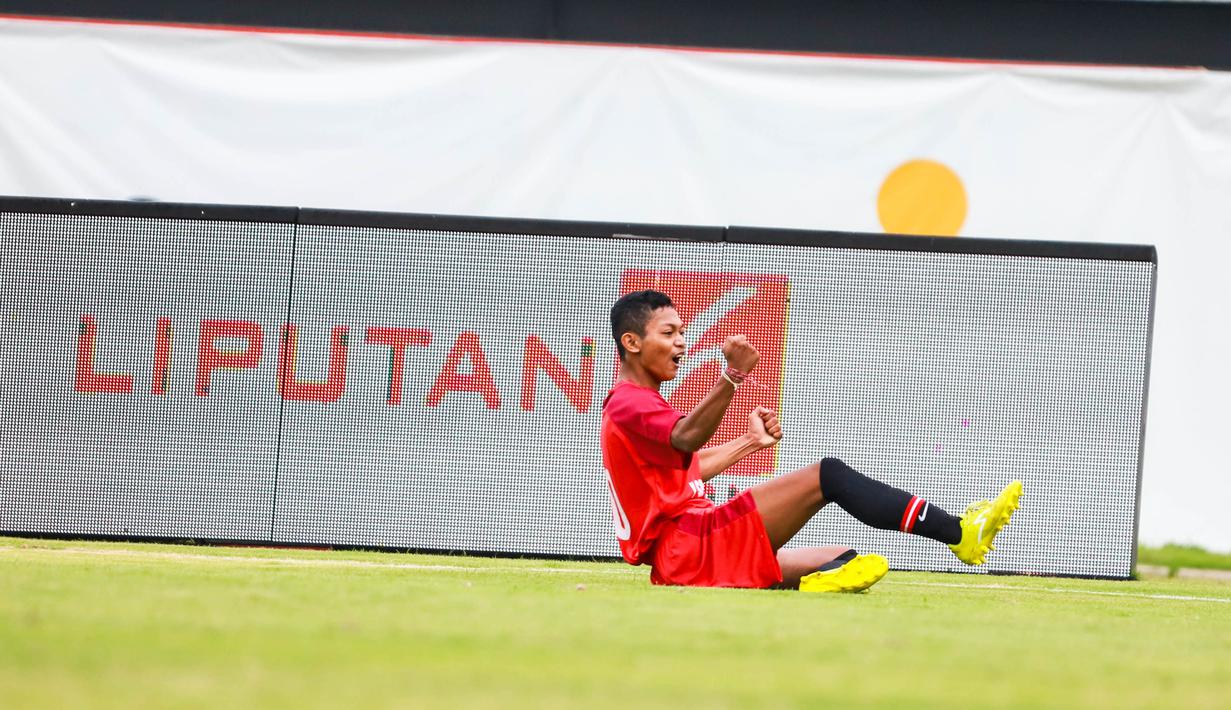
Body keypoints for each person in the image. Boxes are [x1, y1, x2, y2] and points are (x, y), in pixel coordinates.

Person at [600, 289, 1022, 592]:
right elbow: (686, 437)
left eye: (680, 332)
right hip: (692, 543)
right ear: (632, 342)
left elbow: (686, 463)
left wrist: (748, 442)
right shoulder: (629, 402)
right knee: (827, 475)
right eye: (669, 333)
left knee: (848, 560)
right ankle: (960, 533)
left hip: (689, 553)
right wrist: (732, 376)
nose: (681, 342)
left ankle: (786, 584)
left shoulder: (636, 405)